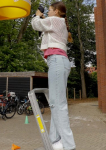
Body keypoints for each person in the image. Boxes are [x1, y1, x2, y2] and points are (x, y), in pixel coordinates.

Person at [31, 1, 76, 150]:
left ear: (56, 11)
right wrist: (42, 18)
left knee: (58, 105)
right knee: (56, 104)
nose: (48, 12)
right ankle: (54, 142)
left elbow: (35, 24)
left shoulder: (55, 20)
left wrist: (37, 15)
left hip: (56, 61)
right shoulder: (58, 22)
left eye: (50, 10)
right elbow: (44, 27)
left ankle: (69, 146)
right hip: (58, 62)